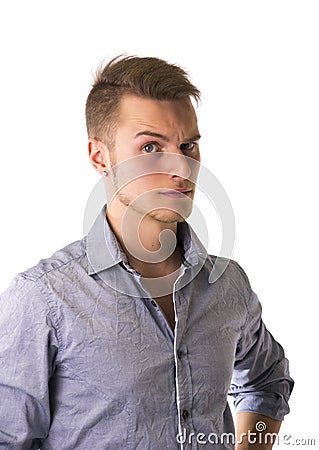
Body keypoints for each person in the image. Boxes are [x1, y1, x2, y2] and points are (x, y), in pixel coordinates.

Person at [0, 55, 293, 450]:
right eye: (151, 146)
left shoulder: (228, 285)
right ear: (100, 156)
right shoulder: (42, 298)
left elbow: (268, 379)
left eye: (188, 145)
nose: (181, 167)